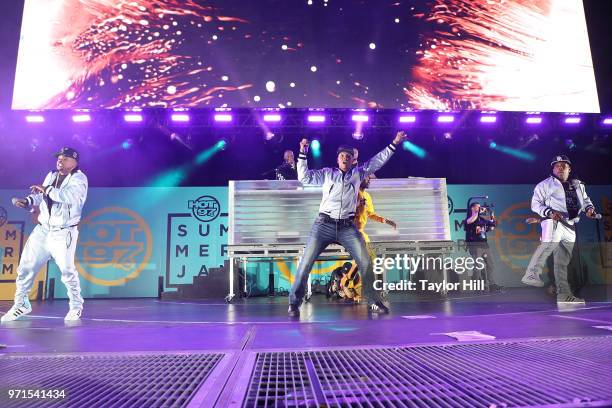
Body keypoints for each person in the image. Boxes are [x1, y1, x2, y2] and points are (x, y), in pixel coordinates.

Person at [288, 131, 407, 316]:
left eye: (349, 156)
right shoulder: (327, 173)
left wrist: (394, 143)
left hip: (347, 227)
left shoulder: (358, 174)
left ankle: (374, 301)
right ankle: (294, 303)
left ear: (353, 161)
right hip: (323, 224)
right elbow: (304, 178)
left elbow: (377, 161)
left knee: (366, 261)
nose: (345, 158)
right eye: (342, 155)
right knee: (305, 262)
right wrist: (302, 154)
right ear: (338, 160)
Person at [2, 147, 88, 322]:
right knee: (25, 267)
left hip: (63, 233)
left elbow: (68, 197)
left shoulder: (79, 178)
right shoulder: (51, 175)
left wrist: (46, 189)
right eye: (59, 158)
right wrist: (27, 201)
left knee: (67, 271)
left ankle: (76, 306)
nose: (60, 161)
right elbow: (40, 196)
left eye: (64, 159)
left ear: (74, 162)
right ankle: (21, 304)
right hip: (42, 230)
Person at [521, 155, 598, 304]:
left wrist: (590, 210)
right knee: (547, 245)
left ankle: (563, 295)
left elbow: (586, 200)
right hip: (553, 220)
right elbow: (535, 204)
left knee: (562, 261)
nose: (560, 168)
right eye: (557, 165)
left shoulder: (578, 185)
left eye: (564, 165)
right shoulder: (544, 185)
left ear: (569, 168)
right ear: (553, 169)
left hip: (571, 224)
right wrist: (548, 212)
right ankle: (531, 274)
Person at [464, 202, 503, 292]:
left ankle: (492, 284)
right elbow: (472, 220)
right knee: (477, 266)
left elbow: (492, 227)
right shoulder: (469, 219)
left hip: (484, 245)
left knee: (490, 264)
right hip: (474, 245)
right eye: (477, 207)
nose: (480, 208)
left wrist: (492, 214)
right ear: (472, 209)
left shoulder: (482, 219)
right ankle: (476, 286)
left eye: (480, 207)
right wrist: (477, 212)